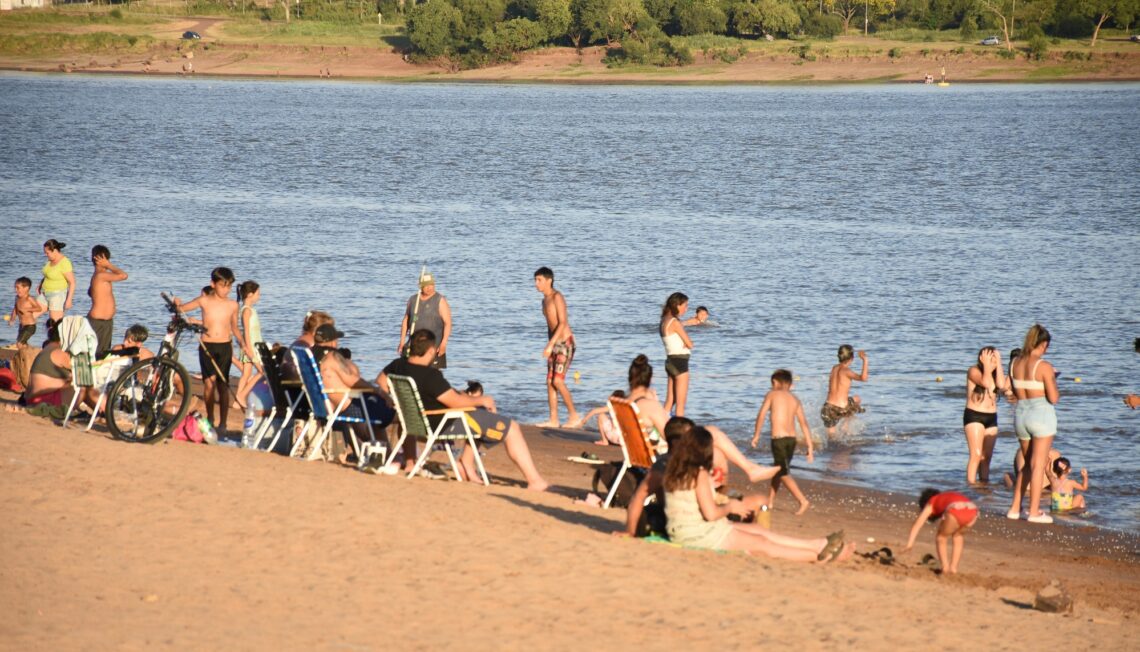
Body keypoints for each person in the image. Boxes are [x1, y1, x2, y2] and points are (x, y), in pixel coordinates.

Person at [378, 329, 549, 490]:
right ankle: (534, 481)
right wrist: (482, 399)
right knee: (511, 427)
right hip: (441, 424)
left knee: (478, 410)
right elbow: (456, 403)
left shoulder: (398, 365)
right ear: (430, 351)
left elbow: (380, 382)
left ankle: (462, 462)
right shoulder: (430, 376)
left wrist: (390, 399)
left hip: (412, 423)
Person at [660, 426, 854, 562]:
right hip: (699, 535)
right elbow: (710, 514)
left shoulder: (675, 469)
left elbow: (688, 502)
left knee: (760, 532)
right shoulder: (699, 474)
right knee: (762, 544)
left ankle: (817, 544)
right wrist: (730, 506)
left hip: (686, 530)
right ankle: (821, 556)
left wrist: (713, 489)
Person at [626, 354, 779, 485]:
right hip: (662, 456)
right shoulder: (649, 405)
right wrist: (656, 404)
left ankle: (741, 475)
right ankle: (748, 470)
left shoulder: (627, 403)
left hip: (642, 456)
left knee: (717, 452)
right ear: (650, 379)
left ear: (631, 378)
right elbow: (670, 433)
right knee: (713, 434)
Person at [311, 324, 394, 460]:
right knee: (389, 410)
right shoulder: (332, 356)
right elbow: (353, 381)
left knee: (375, 408)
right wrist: (378, 391)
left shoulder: (310, 355)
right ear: (332, 341)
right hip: (345, 407)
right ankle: (389, 454)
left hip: (322, 406)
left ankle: (386, 454)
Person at [174, 267, 240, 436]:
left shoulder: (233, 304)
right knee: (209, 385)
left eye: (229, 286)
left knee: (223, 385)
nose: (226, 290)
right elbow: (182, 309)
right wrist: (177, 305)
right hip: (207, 345)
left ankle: (223, 422)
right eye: (223, 286)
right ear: (213, 284)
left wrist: (244, 344)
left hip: (225, 346)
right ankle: (211, 418)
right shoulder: (204, 301)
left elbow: (234, 327)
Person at [1007, 324, 1059, 524]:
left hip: (1021, 414)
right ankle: (1034, 511)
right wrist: (1053, 380)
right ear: (1044, 344)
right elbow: (1053, 398)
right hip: (1041, 415)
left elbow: (1014, 389)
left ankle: (1014, 508)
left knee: (1027, 465)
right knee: (1038, 465)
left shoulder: (1014, 364)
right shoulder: (1044, 366)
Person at [751, 369, 814, 516]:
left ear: (775, 382)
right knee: (779, 470)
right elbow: (804, 423)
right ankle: (770, 501)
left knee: (782, 472)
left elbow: (761, 414)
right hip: (791, 441)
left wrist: (756, 435)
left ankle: (802, 500)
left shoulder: (772, 394)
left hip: (778, 440)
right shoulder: (795, 399)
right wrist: (810, 446)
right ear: (790, 384)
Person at [534, 267, 579, 427]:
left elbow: (563, 323)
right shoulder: (544, 300)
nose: (536, 284)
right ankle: (554, 419)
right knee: (549, 382)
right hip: (553, 344)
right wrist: (550, 345)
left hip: (565, 343)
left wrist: (551, 344)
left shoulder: (557, 297)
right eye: (535, 280)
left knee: (558, 381)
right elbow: (550, 325)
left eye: (539, 280)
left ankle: (574, 416)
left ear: (549, 280)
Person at [962, 347, 1013, 484]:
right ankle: (971, 485)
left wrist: (1000, 362)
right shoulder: (974, 371)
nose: (993, 363)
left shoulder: (996, 375)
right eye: (991, 360)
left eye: (995, 360)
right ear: (982, 359)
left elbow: (1002, 385)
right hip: (974, 416)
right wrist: (986, 366)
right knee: (976, 455)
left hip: (992, 417)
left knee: (987, 457)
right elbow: (984, 382)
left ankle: (984, 483)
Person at [904, 488, 977, 575]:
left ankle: (945, 567)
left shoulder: (931, 502)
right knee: (958, 536)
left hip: (955, 508)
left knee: (941, 537)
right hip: (973, 510)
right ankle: (953, 568)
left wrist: (909, 544)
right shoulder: (944, 496)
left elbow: (918, 524)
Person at [397, 270, 451, 370]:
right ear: (420, 286)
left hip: (433, 346)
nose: (430, 288)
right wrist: (402, 341)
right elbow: (406, 320)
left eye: (432, 285)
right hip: (414, 346)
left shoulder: (440, 300)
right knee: (410, 371)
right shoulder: (413, 300)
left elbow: (448, 323)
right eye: (426, 285)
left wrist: (444, 343)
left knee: (432, 376)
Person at [85, 245, 128, 359]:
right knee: (95, 353)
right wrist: (109, 265)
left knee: (103, 353)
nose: (108, 262)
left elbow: (90, 292)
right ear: (98, 259)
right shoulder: (100, 275)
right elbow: (123, 275)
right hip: (97, 321)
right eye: (105, 259)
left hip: (106, 322)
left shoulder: (100, 276)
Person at [821, 344, 869, 435]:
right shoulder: (847, 371)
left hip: (827, 409)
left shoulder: (834, 368)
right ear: (852, 358)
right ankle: (845, 426)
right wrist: (865, 360)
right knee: (857, 399)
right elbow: (864, 378)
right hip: (840, 409)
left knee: (831, 439)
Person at [660, 292, 694, 417]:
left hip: (670, 361)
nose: (686, 308)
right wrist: (688, 343)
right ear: (677, 305)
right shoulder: (675, 322)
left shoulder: (664, 320)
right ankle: (679, 434)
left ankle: (657, 431)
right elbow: (690, 344)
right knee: (680, 404)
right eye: (685, 305)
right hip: (680, 363)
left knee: (669, 401)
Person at [234, 280, 264, 410]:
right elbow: (246, 331)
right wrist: (249, 349)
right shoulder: (246, 311)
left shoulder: (249, 309)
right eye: (258, 293)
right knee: (262, 371)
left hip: (252, 346)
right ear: (250, 294)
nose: (259, 296)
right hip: (251, 347)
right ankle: (242, 395)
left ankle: (237, 401)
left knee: (246, 373)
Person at [37, 239, 75, 329]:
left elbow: (72, 283)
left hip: (57, 295)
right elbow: (48, 274)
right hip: (45, 293)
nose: (46, 255)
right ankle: (23, 342)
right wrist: (40, 284)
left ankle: (58, 342)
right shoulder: (50, 261)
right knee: (29, 316)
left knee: (55, 325)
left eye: (47, 253)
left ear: (54, 250)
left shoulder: (64, 263)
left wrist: (69, 300)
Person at [8, 277, 46, 348]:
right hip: (22, 325)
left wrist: (28, 309)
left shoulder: (29, 298)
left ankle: (26, 355)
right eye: (15, 288)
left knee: (19, 344)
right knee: (22, 343)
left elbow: (39, 308)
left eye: (18, 288)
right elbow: (15, 309)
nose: (16, 290)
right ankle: (29, 354)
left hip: (30, 326)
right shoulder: (17, 298)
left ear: (26, 288)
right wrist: (12, 319)